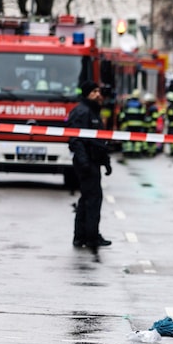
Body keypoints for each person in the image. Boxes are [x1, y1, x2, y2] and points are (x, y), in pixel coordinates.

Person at [67, 81, 112, 249]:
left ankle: (82, 236)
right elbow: (76, 139)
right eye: (94, 91)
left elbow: (99, 141)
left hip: (93, 161)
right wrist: (83, 161)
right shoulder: (81, 111)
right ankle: (91, 237)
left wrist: (106, 162)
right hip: (86, 162)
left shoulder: (93, 111)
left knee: (88, 199)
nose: (98, 94)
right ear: (87, 94)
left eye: (98, 91)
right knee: (92, 199)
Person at [118, 89, 147, 157]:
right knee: (138, 138)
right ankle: (137, 152)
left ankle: (128, 151)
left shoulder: (128, 104)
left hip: (129, 124)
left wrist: (122, 121)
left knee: (129, 138)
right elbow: (143, 114)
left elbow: (123, 114)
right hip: (138, 125)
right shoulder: (140, 104)